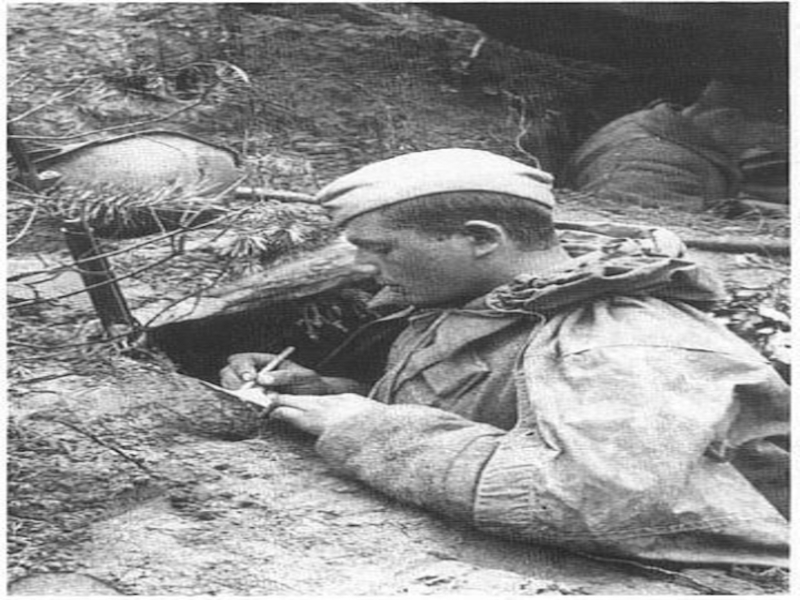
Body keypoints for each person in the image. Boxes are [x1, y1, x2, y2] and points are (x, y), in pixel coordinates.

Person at [221, 149, 789, 567]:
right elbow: (488, 411)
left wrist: (367, 429)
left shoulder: (624, 340)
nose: (367, 268)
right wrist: (328, 393)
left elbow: (593, 501)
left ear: (481, 237)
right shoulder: (482, 301)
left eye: (382, 249)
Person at [562, 80, 789, 213]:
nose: (758, 147)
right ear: (728, 118)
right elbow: (648, 242)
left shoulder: (660, 124)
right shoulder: (651, 164)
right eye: (765, 138)